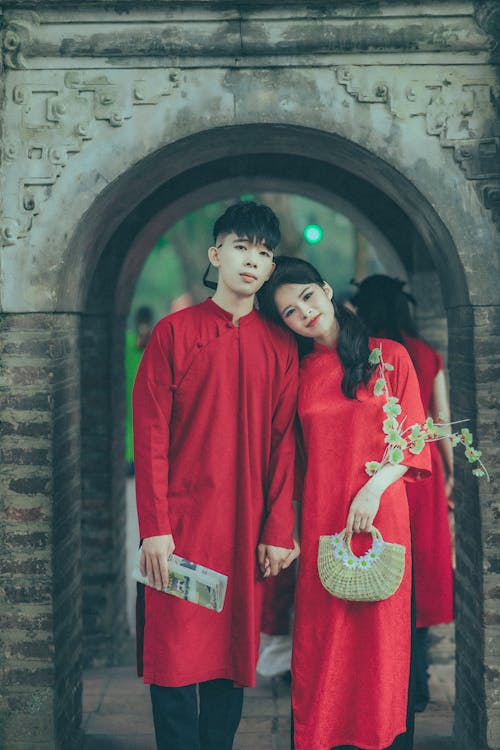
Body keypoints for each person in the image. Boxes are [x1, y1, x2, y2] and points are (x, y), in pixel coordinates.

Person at [132, 202, 300, 750]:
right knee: (175, 663)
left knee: (230, 663)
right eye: (241, 247)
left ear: (271, 269)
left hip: (243, 530)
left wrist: (278, 529)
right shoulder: (173, 334)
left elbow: (283, 445)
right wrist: (154, 527)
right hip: (178, 530)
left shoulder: (279, 345)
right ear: (216, 254)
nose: (252, 260)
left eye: (264, 252)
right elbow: (151, 435)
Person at [257, 256, 431, 750]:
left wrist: (374, 489)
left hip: (381, 517)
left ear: (327, 290)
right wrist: (282, 527)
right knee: (323, 642)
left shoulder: (389, 356)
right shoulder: (297, 374)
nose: (304, 313)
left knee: (381, 640)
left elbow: (415, 440)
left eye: (307, 297)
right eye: (290, 312)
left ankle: (382, 737)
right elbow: (287, 459)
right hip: (323, 520)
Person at [352, 274, 454, 713]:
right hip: (419, 477)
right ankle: (417, 683)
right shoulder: (425, 354)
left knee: (377, 578)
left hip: (374, 476)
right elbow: (441, 423)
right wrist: (449, 474)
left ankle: (380, 684)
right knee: (416, 578)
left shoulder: (360, 355)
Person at [125, 306, 154, 475]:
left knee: (133, 423)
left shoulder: (148, 340)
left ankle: (134, 460)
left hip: (135, 388)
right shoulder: (133, 340)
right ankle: (134, 460)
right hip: (137, 388)